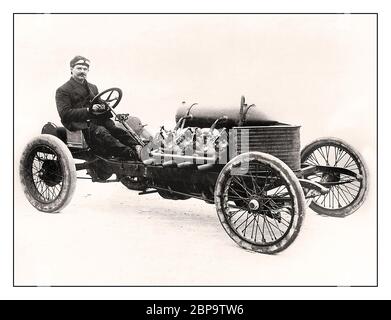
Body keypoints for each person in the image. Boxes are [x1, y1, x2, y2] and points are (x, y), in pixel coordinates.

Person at [55, 55, 139, 160]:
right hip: (80, 124)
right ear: (71, 69)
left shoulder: (92, 87)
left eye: (85, 69)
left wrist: (103, 106)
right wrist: (88, 110)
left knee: (116, 129)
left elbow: (99, 102)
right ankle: (131, 154)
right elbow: (65, 114)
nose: (82, 71)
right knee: (103, 133)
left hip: (97, 120)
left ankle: (138, 147)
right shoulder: (63, 90)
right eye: (79, 68)